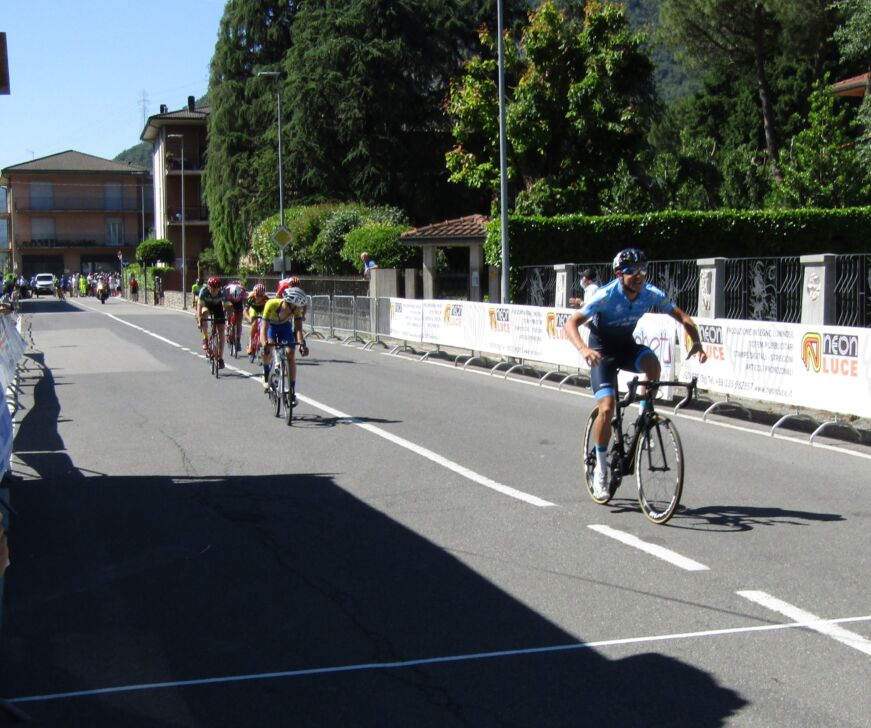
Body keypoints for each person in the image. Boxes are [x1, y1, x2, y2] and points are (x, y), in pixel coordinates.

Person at [563, 248, 707, 499]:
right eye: (632, 271)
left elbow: (682, 317)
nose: (639, 276)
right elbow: (570, 323)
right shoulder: (605, 295)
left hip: (626, 347)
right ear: (619, 274)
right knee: (607, 408)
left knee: (652, 364)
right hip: (602, 352)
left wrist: (696, 341)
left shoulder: (650, 293)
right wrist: (584, 349)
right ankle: (601, 469)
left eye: (643, 270)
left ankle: (643, 418)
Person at [259, 286, 310, 403]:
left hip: (285, 326)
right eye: (299, 306)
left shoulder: (296, 311)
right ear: (291, 304)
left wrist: (302, 344)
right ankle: (266, 372)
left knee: (291, 355)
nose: (300, 309)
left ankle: (292, 391)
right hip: (271, 326)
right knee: (269, 346)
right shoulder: (271, 304)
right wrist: (264, 344)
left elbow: (298, 329)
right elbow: (263, 329)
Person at [196, 275, 228, 368]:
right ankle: (205, 338)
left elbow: (227, 305)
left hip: (218, 307)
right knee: (204, 313)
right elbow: (199, 308)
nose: (214, 291)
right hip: (206, 306)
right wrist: (199, 320)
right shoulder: (204, 291)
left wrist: (228, 317)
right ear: (209, 287)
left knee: (221, 332)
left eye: (216, 289)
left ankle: (220, 358)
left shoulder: (222, 291)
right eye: (212, 289)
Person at [244, 283, 270, 355]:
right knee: (254, 323)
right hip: (253, 308)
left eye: (261, 296)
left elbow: (269, 311)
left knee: (265, 325)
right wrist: (249, 319)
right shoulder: (250, 297)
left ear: (263, 295)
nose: (258, 297)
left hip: (263, 309)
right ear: (254, 293)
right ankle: (250, 343)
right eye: (257, 295)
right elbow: (245, 311)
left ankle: (263, 340)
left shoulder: (266, 299)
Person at [224, 280, 247, 351]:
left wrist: (244, 310)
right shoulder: (227, 291)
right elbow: (224, 303)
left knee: (239, 322)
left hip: (239, 304)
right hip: (230, 302)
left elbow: (245, 303)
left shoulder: (243, 292)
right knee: (229, 313)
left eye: (237, 296)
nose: (235, 298)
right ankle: (228, 328)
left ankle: (238, 340)